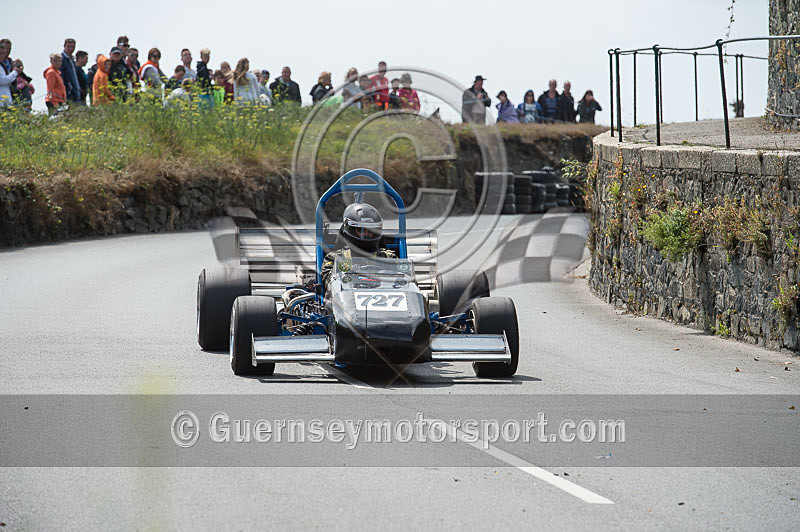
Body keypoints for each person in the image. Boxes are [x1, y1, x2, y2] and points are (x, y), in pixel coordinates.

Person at [320, 203, 396, 285]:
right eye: (361, 230)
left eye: (371, 231)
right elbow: (331, 283)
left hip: (384, 294)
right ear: (351, 230)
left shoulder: (389, 257)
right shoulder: (335, 258)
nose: (366, 234)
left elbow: (401, 282)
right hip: (347, 296)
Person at [60, 38, 81, 105]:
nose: (71, 49)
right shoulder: (62, 60)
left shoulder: (72, 60)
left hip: (75, 92)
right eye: (68, 46)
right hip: (68, 93)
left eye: (73, 47)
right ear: (64, 46)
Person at [0, 42, 20, 109]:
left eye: (3, 54)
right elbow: (3, 80)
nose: (2, 56)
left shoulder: (5, 64)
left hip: (6, 99)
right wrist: (15, 72)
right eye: (1, 54)